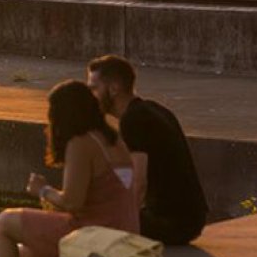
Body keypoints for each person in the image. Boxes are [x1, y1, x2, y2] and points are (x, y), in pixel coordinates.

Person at [0, 80, 140, 257]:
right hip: (125, 231)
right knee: (29, 253)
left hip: (97, 233)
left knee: (4, 221)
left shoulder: (81, 143)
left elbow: (72, 203)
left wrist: (42, 190)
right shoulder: (113, 139)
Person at [87, 55, 208, 246]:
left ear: (113, 88)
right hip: (190, 218)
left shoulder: (133, 120)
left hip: (171, 222)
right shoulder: (152, 109)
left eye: (94, 88)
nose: (90, 95)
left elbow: (139, 182)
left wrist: (125, 229)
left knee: (90, 224)